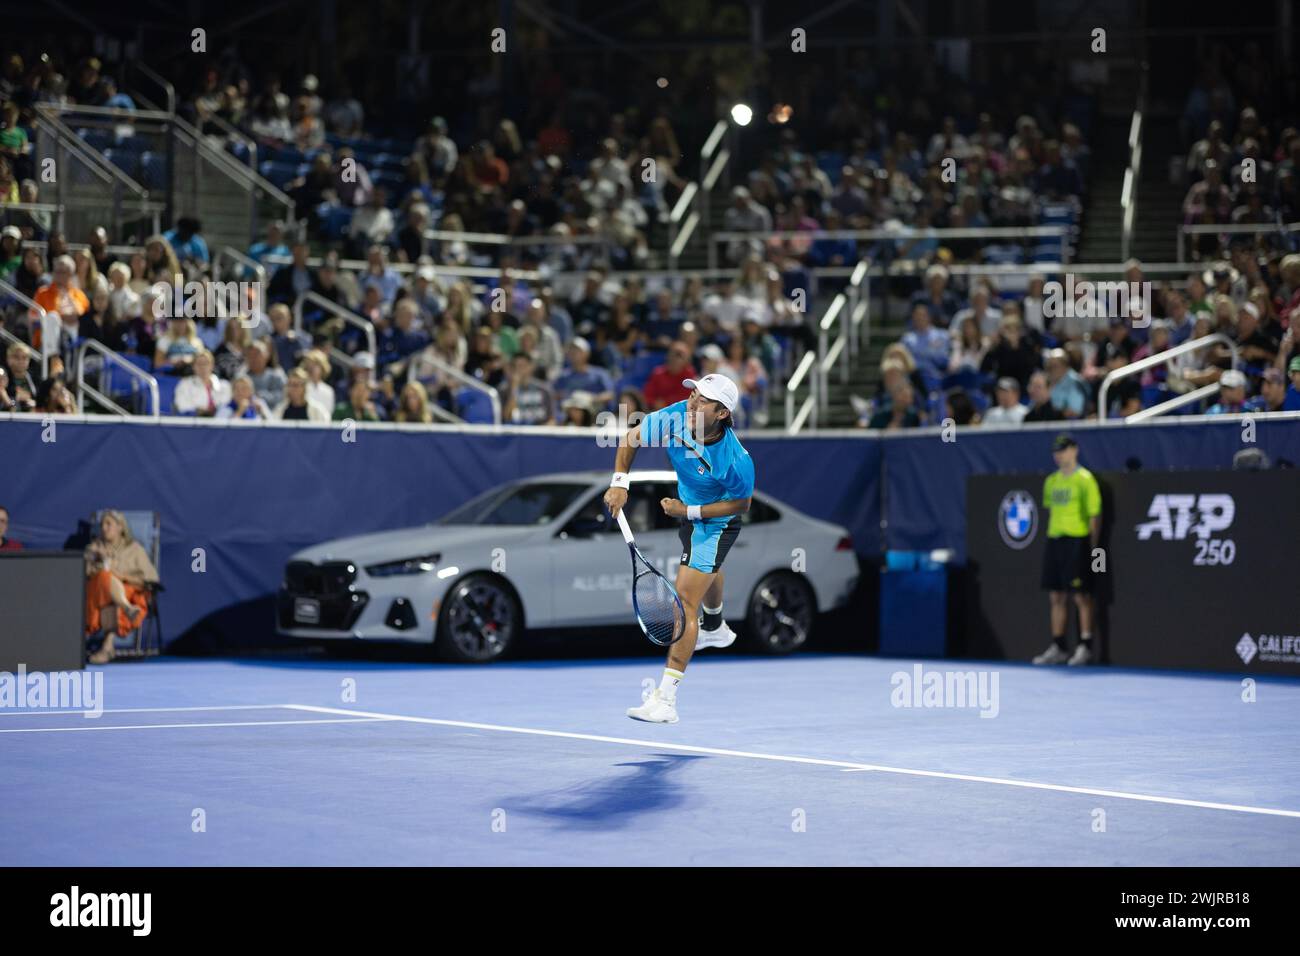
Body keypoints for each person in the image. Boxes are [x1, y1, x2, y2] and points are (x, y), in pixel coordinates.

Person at [604, 373, 755, 724]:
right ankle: (715, 626)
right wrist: (619, 483)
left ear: (721, 413)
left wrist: (687, 511)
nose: (692, 403)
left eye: (703, 400)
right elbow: (632, 438)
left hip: (715, 523)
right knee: (707, 573)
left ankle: (666, 701)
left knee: (685, 604)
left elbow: (741, 505)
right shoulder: (675, 418)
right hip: (688, 512)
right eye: (693, 395)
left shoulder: (735, 461)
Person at [1032, 434, 1102, 667]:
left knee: (1081, 596)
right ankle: (1059, 646)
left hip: (1078, 541)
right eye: (1056, 452)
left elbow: (1094, 516)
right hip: (1055, 541)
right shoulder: (1051, 481)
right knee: (1056, 596)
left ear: (1075, 450)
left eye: (1063, 450)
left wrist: (1093, 549)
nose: (1059, 455)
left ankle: (1085, 646)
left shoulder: (1085, 479)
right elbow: (1052, 512)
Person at [84, 510, 159, 664]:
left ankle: (106, 647)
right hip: (97, 594)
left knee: (111, 584)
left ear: (120, 527)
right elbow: (84, 573)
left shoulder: (135, 550)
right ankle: (109, 643)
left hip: (129, 592)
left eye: (108, 524)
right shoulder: (95, 548)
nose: (104, 528)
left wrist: (122, 576)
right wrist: (98, 559)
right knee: (105, 578)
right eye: (102, 524)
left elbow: (151, 579)